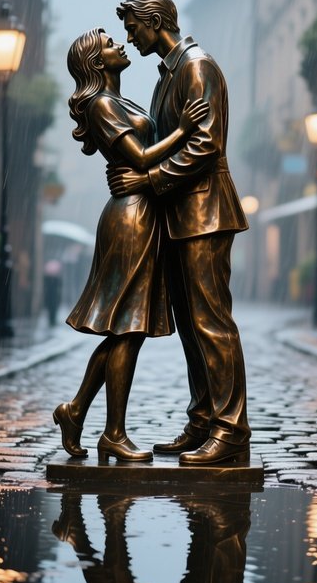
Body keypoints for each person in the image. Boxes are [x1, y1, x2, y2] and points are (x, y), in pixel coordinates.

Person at [108, 0, 251, 466]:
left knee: (212, 323)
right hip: (181, 215)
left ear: (154, 21)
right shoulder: (170, 72)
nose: (130, 37)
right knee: (191, 325)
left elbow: (206, 145)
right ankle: (204, 419)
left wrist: (147, 178)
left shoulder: (196, 66)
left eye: (133, 27)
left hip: (205, 213)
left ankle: (230, 429)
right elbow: (169, 138)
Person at [53, 27, 208, 463]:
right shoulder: (102, 105)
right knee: (127, 327)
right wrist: (184, 130)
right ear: (96, 62)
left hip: (143, 211)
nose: (119, 44)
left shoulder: (119, 101)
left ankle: (77, 411)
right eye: (108, 44)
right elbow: (139, 158)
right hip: (131, 216)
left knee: (129, 328)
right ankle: (113, 433)